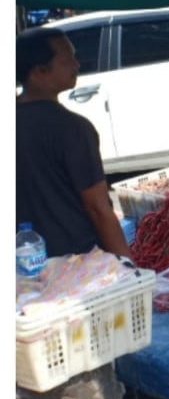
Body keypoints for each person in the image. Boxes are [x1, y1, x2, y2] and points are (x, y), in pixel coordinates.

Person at [16, 28, 132, 259]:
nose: (77, 65)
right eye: (68, 59)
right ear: (39, 71)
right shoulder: (72, 128)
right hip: (78, 262)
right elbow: (98, 208)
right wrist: (129, 267)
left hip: (24, 263)